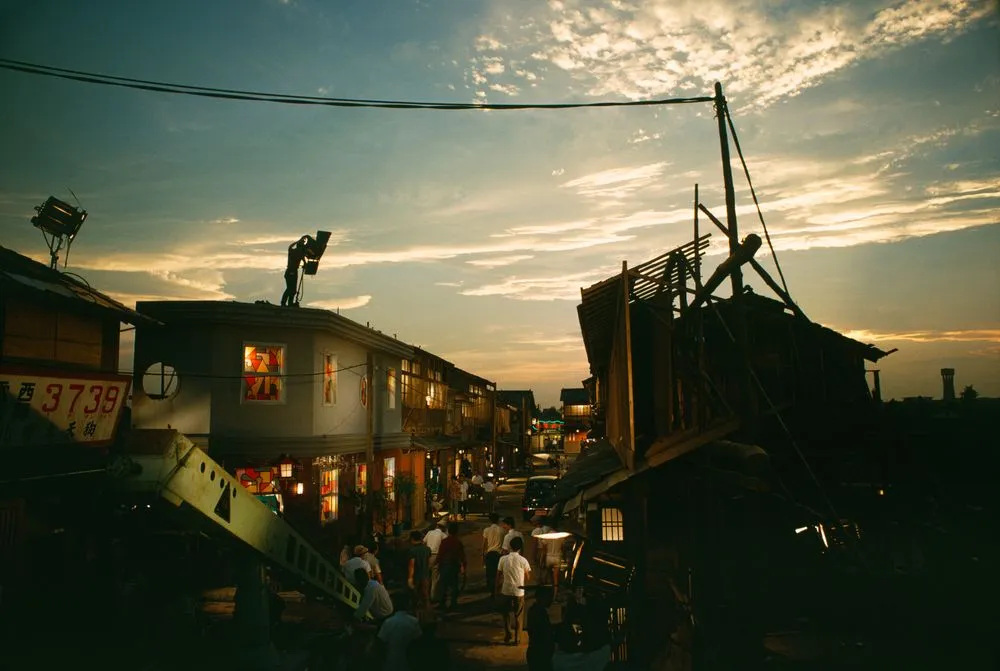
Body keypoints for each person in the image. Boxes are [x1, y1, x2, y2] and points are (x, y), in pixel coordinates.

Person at [496, 535, 531, 645]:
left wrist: (496, 588)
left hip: (506, 589)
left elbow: (498, 575)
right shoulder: (523, 560)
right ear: (520, 548)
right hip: (518, 591)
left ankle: (507, 634)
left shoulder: (503, 559)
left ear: (510, 546)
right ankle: (517, 638)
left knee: (505, 614)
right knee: (518, 615)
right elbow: (528, 576)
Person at [377, 590, 423, 671]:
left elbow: (381, 645)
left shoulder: (388, 623)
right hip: (408, 665)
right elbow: (418, 644)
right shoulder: (414, 622)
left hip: (390, 664)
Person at [435, 521, 466, 611]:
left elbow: (440, 554)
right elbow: (461, 555)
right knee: (454, 585)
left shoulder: (444, 542)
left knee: (443, 585)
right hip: (454, 565)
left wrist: (437, 562)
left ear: (448, 531)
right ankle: (453, 603)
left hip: (444, 565)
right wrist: (463, 566)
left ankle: (442, 603)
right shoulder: (458, 542)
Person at [526, 586, 556, 671]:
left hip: (535, 651)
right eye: (549, 597)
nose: (551, 600)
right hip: (539, 653)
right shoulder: (539, 613)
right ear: (542, 598)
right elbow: (544, 633)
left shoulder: (535, 610)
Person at [423, 519, 448, 603]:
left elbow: (424, 542)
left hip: (427, 555)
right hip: (436, 555)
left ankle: (426, 596)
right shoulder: (443, 535)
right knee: (435, 577)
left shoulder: (429, 532)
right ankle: (433, 596)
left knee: (427, 576)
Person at [407, 530, 431, 611]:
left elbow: (412, 565)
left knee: (414, 598)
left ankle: (414, 616)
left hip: (416, 577)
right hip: (426, 576)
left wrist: (410, 578)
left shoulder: (412, 551)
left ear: (412, 539)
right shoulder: (427, 549)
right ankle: (428, 615)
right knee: (426, 597)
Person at [482, 513, 505, 597]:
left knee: (490, 574)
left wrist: (483, 557)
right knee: (498, 573)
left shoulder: (486, 530)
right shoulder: (502, 530)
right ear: (498, 520)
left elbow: (484, 544)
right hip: (499, 554)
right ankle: (497, 591)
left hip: (489, 554)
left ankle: (492, 591)